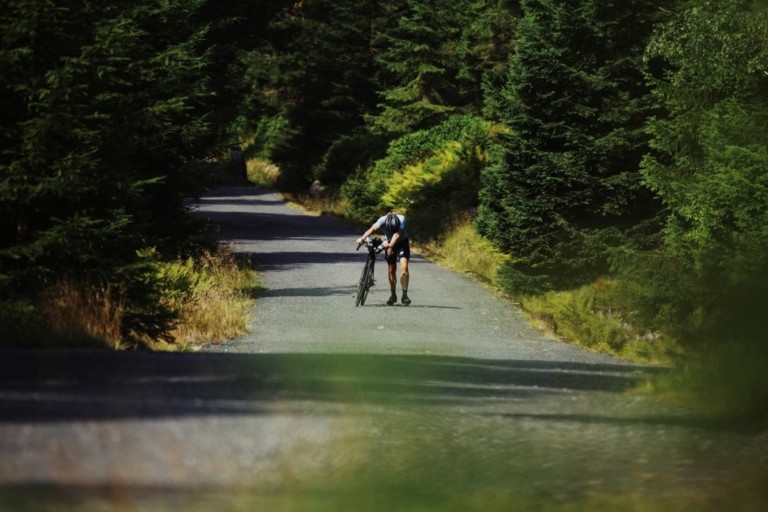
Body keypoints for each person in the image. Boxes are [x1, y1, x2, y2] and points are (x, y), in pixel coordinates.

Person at [356, 212, 411, 306]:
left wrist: (390, 246)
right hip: (389, 241)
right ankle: (393, 295)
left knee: (404, 266)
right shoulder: (382, 220)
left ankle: (405, 295)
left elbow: (397, 235)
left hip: (402, 243)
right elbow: (372, 229)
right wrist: (362, 238)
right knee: (391, 270)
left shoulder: (401, 219)